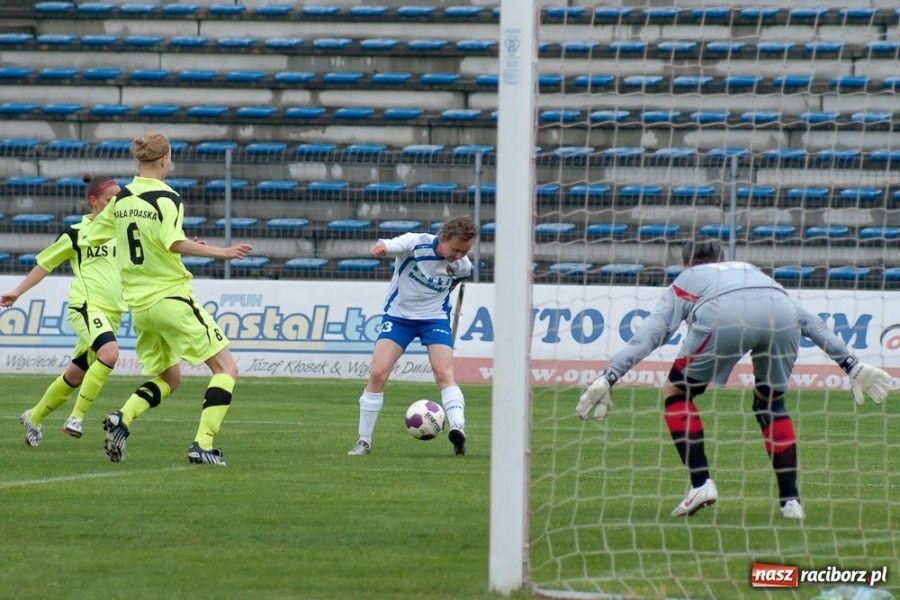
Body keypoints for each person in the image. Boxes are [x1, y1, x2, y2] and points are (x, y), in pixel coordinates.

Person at [576, 239, 892, 519]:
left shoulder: (687, 278)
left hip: (721, 316)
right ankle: (790, 502)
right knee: (771, 403)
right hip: (779, 313)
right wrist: (849, 363)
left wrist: (611, 374)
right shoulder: (748, 269)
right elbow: (808, 320)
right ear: (724, 257)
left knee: (676, 391)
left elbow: (654, 331)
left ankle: (701, 484)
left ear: (685, 264)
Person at [86, 131, 253, 466]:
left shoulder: (121, 199)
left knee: (170, 378)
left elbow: (97, 233)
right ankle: (202, 444)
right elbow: (172, 243)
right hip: (170, 298)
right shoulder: (168, 198)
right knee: (226, 368)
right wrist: (221, 252)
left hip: (141, 307)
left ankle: (123, 418)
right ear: (166, 158)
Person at [2, 174, 125, 445]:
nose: (115, 205)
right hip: (86, 306)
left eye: (119, 200)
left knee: (75, 374)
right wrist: (18, 292)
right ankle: (76, 417)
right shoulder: (76, 233)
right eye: (109, 200)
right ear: (93, 201)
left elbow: (153, 252)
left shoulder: (124, 232)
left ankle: (33, 416)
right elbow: (46, 264)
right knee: (110, 353)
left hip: (113, 313)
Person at [348, 215, 478, 457]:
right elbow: (393, 245)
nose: (460, 255)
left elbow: (450, 287)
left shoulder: (463, 267)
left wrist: (458, 260)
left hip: (434, 319)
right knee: (378, 373)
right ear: (443, 238)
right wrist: (382, 247)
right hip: (399, 318)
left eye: (465, 251)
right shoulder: (416, 243)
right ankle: (363, 441)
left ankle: (458, 430)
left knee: (443, 372)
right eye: (457, 249)